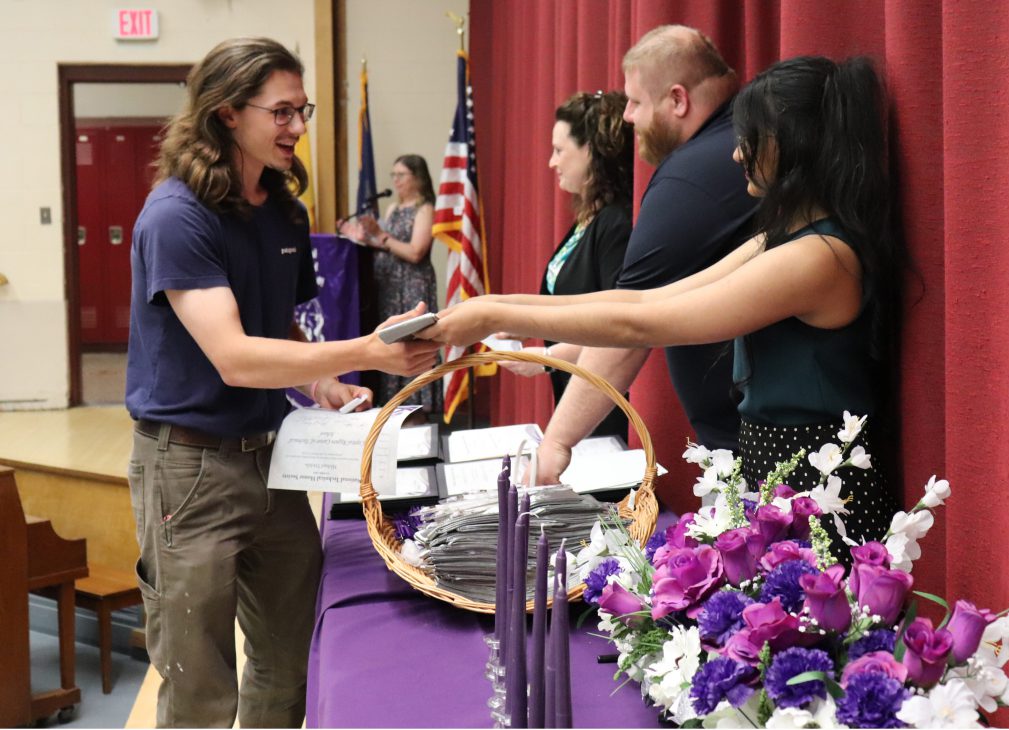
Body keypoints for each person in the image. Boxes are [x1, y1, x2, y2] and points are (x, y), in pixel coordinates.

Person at [424, 54, 904, 544]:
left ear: (793, 144)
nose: (739, 155)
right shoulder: (782, 239)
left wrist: (491, 314)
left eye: (752, 138)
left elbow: (644, 324)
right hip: (775, 477)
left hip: (818, 495)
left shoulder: (818, 257)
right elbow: (641, 302)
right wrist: (490, 308)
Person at [125, 38, 438, 728]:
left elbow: (278, 328)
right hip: (189, 470)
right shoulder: (177, 216)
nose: (298, 126)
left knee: (288, 660)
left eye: (305, 109)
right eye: (284, 112)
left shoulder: (284, 211)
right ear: (228, 113)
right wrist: (364, 353)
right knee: (201, 689)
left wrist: (325, 380)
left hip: (273, 459)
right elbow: (234, 355)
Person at [490, 26, 757, 484]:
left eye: (635, 101)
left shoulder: (690, 177)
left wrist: (556, 444)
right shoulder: (734, 134)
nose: (627, 116)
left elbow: (629, 323)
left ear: (678, 100)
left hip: (754, 449)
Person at [498, 90, 634, 439]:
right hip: (575, 391)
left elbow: (616, 328)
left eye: (560, 151)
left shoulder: (616, 222)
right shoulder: (590, 218)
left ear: (592, 151)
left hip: (604, 403)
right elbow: (568, 303)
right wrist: (523, 325)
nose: (551, 162)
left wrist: (544, 357)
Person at [339, 155, 443, 414]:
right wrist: (361, 235)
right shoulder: (393, 208)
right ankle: (396, 408)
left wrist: (381, 235)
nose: (395, 181)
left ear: (417, 178)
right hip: (388, 286)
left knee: (413, 340)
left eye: (401, 175)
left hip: (411, 285)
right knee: (392, 341)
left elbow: (416, 251)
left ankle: (419, 410)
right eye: (393, 175)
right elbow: (385, 245)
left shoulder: (425, 208)